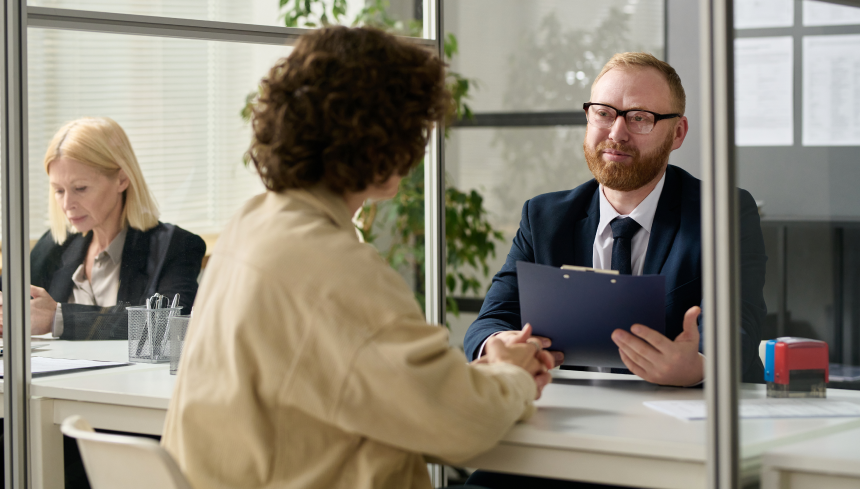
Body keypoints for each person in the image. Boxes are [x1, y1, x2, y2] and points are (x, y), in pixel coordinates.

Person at [161, 26, 554, 489]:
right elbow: (460, 425)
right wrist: (513, 374)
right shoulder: (333, 264)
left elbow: (382, 385)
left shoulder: (249, 226)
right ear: (384, 140)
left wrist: (489, 373)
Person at [464, 52, 767, 386]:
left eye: (639, 118)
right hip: (574, 415)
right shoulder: (544, 218)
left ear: (678, 133)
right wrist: (497, 345)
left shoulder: (723, 213)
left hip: (689, 420)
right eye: (604, 114)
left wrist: (699, 366)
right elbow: (491, 320)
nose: (617, 133)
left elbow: (738, 325)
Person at [0, 117, 206, 340]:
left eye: (80, 188)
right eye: (59, 191)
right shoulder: (54, 244)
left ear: (122, 179)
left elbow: (166, 325)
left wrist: (59, 317)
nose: (67, 204)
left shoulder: (176, 246)